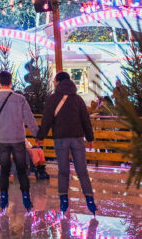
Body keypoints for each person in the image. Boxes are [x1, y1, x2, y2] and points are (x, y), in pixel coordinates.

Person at [36, 71, 97, 215]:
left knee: (63, 171)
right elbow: (85, 120)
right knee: (82, 171)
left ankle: (63, 200)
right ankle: (90, 200)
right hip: (77, 138)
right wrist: (89, 138)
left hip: (61, 138)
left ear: (57, 81)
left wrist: (41, 136)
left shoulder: (53, 99)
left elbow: (47, 120)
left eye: (54, 80)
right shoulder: (78, 99)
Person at [0, 71, 38, 213]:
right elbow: (29, 118)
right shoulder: (20, 99)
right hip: (18, 139)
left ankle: (3, 196)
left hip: (2, 139)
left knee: (4, 170)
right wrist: (37, 134)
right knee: (21, 170)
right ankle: (26, 195)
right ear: (11, 82)